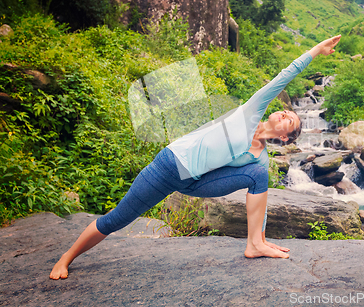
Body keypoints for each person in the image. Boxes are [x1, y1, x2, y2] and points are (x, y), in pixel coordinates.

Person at [50, 35, 341, 280]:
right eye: (285, 111)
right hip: (168, 166)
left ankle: (255, 244)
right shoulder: (251, 113)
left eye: (290, 120)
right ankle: (66, 257)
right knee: (116, 219)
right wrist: (315, 51)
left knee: (258, 175)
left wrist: (262, 235)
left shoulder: (259, 160)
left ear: (286, 138)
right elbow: (285, 75)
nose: (284, 113)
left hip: (196, 183)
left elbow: (260, 202)